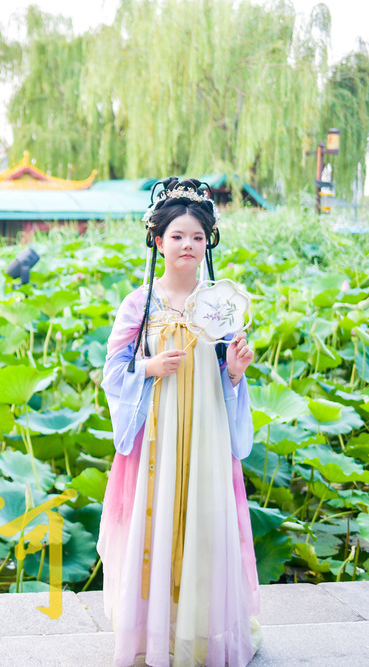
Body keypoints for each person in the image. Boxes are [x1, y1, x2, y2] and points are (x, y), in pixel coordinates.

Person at [97, 178, 261, 667]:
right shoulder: (138, 304)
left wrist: (234, 370)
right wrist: (148, 368)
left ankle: (199, 635)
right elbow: (112, 370)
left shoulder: (222, 305)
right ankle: (154, 635)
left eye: (196, 237)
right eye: (177, 236)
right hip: (157, 439)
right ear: (158, 242)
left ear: (207, 241)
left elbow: (225, 371)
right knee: (158, 517)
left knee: (204, 523)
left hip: (207, 430)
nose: (187, 245)